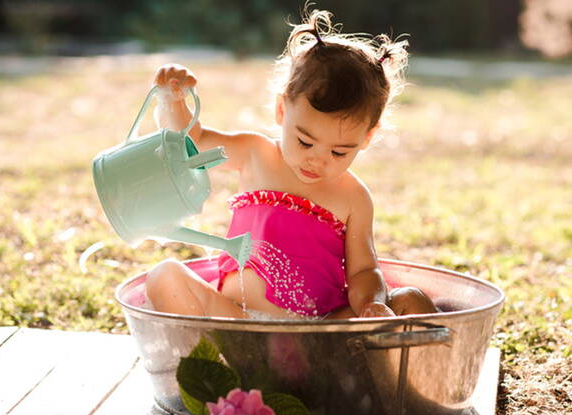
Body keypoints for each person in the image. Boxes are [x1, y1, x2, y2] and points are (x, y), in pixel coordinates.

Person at [145, 8, 437, 319]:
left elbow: (364, 270)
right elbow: (193, 144)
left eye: (339, 152)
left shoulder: (353, 197)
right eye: (305, 141)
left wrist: (372, 304)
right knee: (165, 276)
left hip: (317, 330)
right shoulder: (254, 153)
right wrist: (173, 100)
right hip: (237, 323)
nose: (317, 159)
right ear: (282, 111)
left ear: (367, 137)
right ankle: (224, 359)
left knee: (411, 299)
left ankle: (376, 362)